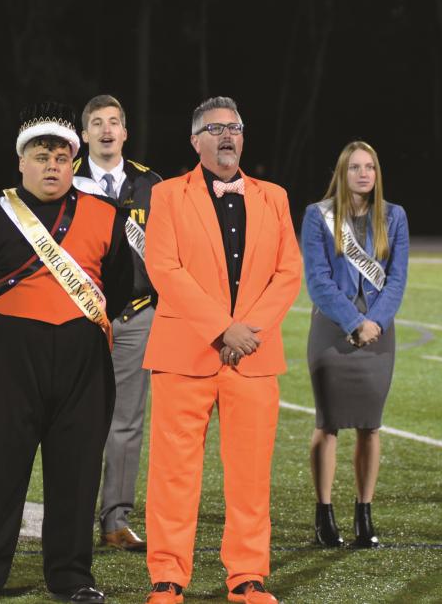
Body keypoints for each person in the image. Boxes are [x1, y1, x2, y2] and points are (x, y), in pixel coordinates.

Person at [0, 102, 135, 604]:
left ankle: (73, 577)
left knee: (76, 476)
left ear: (74, 163)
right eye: (42, 155)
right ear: (21, 161)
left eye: (62, 156)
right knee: (2, 476)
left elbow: (117, 291)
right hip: (9, 365)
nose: (52, 165)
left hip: (83, 364)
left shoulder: (106, 216)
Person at [142, 97, 301, 604]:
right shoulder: (167, 194)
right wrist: (221, 329)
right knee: (173, 474)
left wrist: (246, 330)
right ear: (195, 141)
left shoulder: (274, 196)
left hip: (252, 356)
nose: (227, 135)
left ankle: (248, 576)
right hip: (183, 354)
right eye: (214, 129)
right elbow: (164, 268)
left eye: (234, 127)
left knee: (251, 476)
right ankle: (168, 577)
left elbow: (288, 271)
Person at [301, 140, 409, 548]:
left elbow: (396, 279)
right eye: (355, 168)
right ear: (342, 173)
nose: (364, 174)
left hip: (379, 331)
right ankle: (323, 514)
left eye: (370, 167)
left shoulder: (394, 217)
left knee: (370, 425)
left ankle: (364, 514)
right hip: (332, 327)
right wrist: (353, 321)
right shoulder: (318, 216)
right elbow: (318, 281)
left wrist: (374, 322)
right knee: (327, 423)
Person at [73, 94, 161, 553]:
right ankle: (71, 515)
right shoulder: (63, 179)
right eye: (97, 123)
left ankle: (115, 519)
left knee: (126, 420)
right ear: (83, 133)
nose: (106, 130)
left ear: (125, 132)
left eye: (114, 122)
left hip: (137, 316)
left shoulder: (152, 185)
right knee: (75, 420)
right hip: (79, 319)